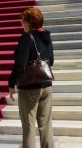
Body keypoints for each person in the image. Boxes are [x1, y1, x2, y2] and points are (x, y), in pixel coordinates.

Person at [8, 8, 54, 148]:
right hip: (46, 85)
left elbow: (20, 64)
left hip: (29, 87)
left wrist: (11, 83)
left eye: (23, 20)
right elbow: (50, 61)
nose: (21, 23)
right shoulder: (47, 36)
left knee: (28, 127)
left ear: (28, 22)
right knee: (46, 125)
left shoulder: (27, 37)